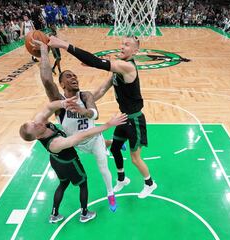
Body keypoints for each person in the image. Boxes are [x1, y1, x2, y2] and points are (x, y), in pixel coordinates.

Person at [48, 35, 157, 198]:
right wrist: (84, 104)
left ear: (136, 51)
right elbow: (99, 92)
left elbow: (95, 62)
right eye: (122, 44)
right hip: (124, 117)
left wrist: (63, 45)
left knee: (135, 158)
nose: (122, 46)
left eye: (126, 45)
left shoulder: (127, 67)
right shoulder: (117, 72)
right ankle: (122, 179)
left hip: (135, 119)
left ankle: (150, 183)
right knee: (114, 148)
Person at [31, 38, 119, 212]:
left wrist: (115, 74)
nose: (74, 78)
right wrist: (43, 51)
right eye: (69, 76)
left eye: (76, 76)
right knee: (103, 145)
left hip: (93, 139)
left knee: (103, 168)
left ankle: (110, 194)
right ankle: (114, 144)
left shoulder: (85, 96)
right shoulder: (59, 102)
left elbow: (96, 111)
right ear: (62, 83)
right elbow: (48, 81)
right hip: (76, 143)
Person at [19, 97, 127, 223]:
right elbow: (83, 135)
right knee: (83, 184)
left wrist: (62, 103)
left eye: (33, 122)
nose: (38, 122)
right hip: (68, 162)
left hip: (55, 161)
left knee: (63, 184)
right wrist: (108, 124)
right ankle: (84, 214)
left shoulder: (40, 123)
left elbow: (49, 107)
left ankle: (54, 215)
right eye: (35, 126)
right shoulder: (55, 143)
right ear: (36, 136)